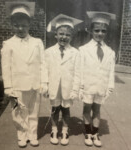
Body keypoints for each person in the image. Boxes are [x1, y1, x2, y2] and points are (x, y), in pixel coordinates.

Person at [1, 1, 47, 148]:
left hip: (34, 84)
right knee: (17, 112)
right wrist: (8, 86)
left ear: (29, 25)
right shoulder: (8, 44)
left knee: (33, 111)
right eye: (16, 25)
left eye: (24, 25)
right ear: (12, 25)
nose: (20, 28)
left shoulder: (37, 42)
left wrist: (44, 82)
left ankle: (32, 134)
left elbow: (43, 64)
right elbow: (5, 67)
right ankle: (21, 134)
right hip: (16, 86)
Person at [77, 11, 116, 147]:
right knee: (87, 109)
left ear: (106, 32)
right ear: (91, 31)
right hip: (88, 85)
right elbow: (80, 70)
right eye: (97, 30)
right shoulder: (83, 50)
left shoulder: (110, 52)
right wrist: (80, 87)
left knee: (97, 109)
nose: (100, 33)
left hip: (101, 86)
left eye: (103, 31)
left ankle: (95, 133)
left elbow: (111, 71)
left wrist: (109, 87)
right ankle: (88, 132)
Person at [45, 14, 82, 146]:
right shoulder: (49, 52)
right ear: (56, 34)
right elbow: (45, 70)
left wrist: (75, 89)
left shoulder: (75, 53)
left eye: (67, 35)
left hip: (67, 87)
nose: (63, 37)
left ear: (71, 36)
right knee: (54, 109)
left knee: (66, 110)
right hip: (54, 86)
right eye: (61, 34)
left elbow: (78, 73)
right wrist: (45, 85)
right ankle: (54, 130)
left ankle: (65, 131)